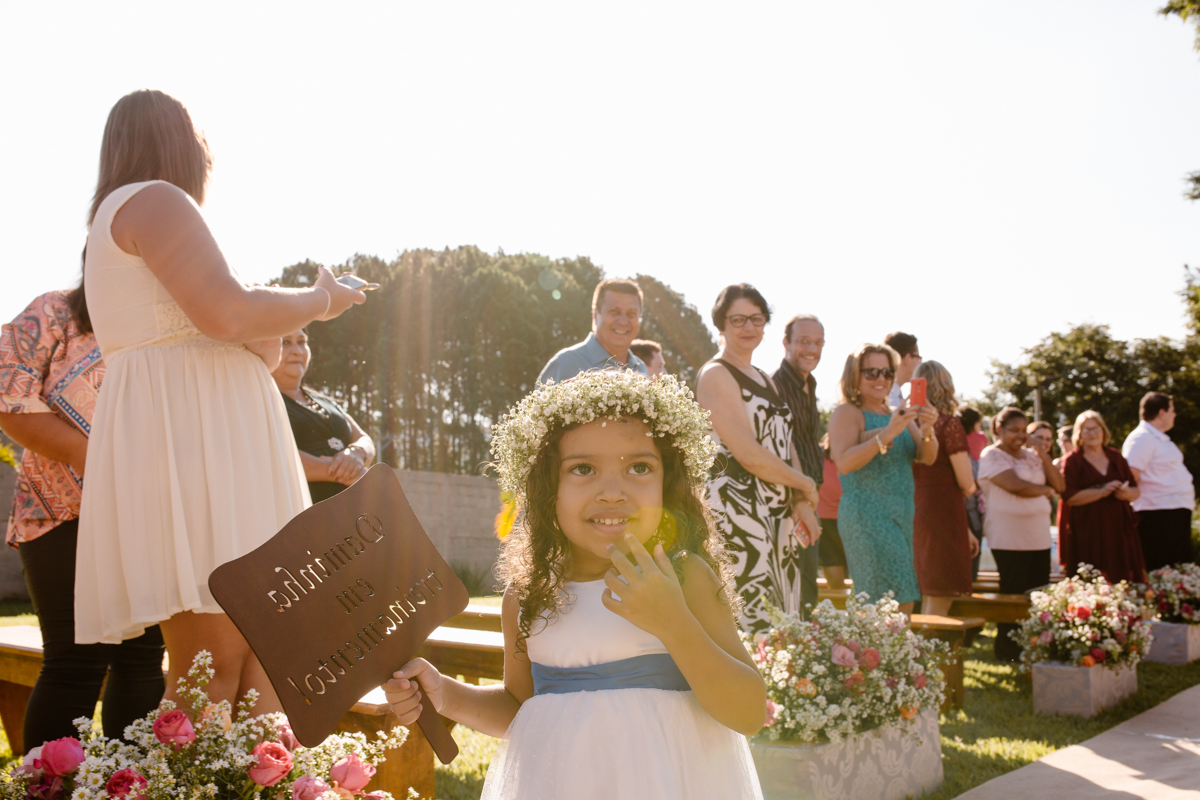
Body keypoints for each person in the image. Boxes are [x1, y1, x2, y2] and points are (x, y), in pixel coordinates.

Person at [74, 90, 365, 712]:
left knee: (267, 657)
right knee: (212, 665)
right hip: (199, 451)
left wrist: (267, 322)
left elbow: (240, 327)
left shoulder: (130, 213)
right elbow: (228, 312)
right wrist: (322, 301)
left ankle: (269, 767)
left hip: (213, 448)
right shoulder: (154, 200)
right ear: (182, 145)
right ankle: (195, 767)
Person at [384, 371, 766, 799]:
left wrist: (674, 622)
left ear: (668, 483)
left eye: (639, 467)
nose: (612, 492)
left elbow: (749, 713)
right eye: (583, 469)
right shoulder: (528, 596)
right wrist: (446, 695)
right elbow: (520, 710)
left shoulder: (683, 577)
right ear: (549, 489)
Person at [0, 289, 165, 748]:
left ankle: (130, 783)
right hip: (58, 511)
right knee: (75, 663)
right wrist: (91, 456)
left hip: (149, 518)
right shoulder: (53, 312)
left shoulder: (165, 325)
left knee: (142, 660)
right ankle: (49, 785)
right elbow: (8, 397)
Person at [696, 286, 820, 631]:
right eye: (738, 319)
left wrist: (801, 500)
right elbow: (748, 454)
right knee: (750, 617)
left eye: (756, 318)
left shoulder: (766, 378)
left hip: (779, 513)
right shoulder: (716, 374)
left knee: (784, 617)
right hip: (739, 512)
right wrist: (806, 483)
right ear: (721, 324)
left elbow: (787, 444)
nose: (749, 327)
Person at [828, 344, 938, 614]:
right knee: (885, 599)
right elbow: (844, 463)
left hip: (900, 515)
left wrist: (927, 430)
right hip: (866, 515)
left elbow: (927, 457)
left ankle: (893, 643)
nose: (881, 379)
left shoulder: (896, 412)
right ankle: (881, 642)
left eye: (887, 372)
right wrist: (887, 434)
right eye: (872, 372)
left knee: (902, 594)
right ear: (855, 375)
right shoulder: (848, 412)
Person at [976, 407, 1064, 662]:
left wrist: (1042, 453)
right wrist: (1045, 490)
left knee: (1038, 593)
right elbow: (1016, 486)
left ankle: (1036, 645)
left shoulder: (1032, 456)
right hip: (1008, 537)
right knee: (1013, 593)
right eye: (1014, 430)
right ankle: (1009, 651)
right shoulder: (991, 455)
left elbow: (1060, 485)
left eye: (1024, 430)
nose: (1020, 436)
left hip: (1038, 536)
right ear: (998, 430)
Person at [271, 329, 376, 503]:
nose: (297, 350)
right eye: (286, 342)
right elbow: (271, 455)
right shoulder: (264, 401)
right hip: (303, 508)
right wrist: (339, 470)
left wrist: (357, 453)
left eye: (302, 342)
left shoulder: (326, 402)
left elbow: (364, 438)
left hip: (352, 509)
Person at [910, 361, 978, 617]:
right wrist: (972, 487)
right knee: (940, 591)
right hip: (942, 507)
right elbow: (965, 482)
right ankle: (929, 642)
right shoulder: (948, 424)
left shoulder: (906, 422)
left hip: (913, 505)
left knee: (927, 586)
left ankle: (922, 641)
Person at [772, 314, 826, 616]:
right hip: (789, 503)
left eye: (818, 342)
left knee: (807, 590)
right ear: (786, 343)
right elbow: (779, 450)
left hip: (808, 499)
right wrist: (800, 500)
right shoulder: (775, 386)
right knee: (794, 591)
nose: (812, 349)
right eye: (804, 341)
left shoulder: (810, 384)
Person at [1060, 411, 1145, 584]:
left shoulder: (1116, 457)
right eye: (1087, 429)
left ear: (1103, 430)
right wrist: (1102, 491)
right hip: (1087, 529)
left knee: (1123, 577)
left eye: (1095, 428)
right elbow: (1070, 497)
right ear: (1079, 434)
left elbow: (1136, 490)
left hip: (1118, 528)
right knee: (1091, 579)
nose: (1092, 433)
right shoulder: (1072, 460)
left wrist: (1126, 494)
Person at [1122, 392, 1196, 570]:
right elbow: (1130, 476)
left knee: (1177, 570)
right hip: (1157, 516)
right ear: (1161, 413)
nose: (1175, 415)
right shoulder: (1141, 438)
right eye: (1172, 410)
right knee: (1159, 569)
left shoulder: (1159, 438)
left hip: (1174, 513)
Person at [537, 279, 649, 384]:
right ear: (595, 316)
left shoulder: (641, 368)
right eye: (614, 311)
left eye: (631, 314)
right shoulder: (564, 364)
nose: (623, 321)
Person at [957, 406, 988, 579]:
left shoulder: (956, 439)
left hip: (963, 497)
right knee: (974, 542)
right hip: (972, 498)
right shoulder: (981, 438)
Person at [816, 435, 848, 591]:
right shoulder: (818, 456)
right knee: (835, 580)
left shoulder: (858, 457)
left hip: (853, 521)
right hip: (826, 523)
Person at [883, 331, 921, 408]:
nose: (920, 363)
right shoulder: (888, 398)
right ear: (908, 358)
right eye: (918, 357)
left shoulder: (894, 394)